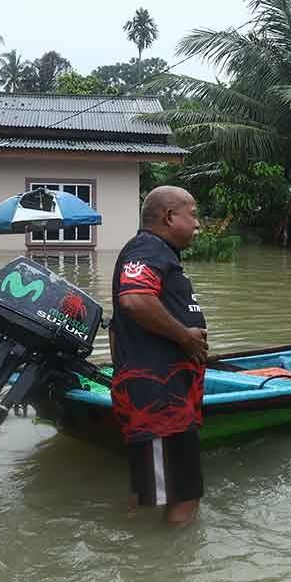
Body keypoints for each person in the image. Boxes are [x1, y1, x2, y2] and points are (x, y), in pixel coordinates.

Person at [109, 186, 208, 526]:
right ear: (169, 216)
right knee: (184, 494)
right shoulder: (149, 249)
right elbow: (134, 300)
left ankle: (140, 554)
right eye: (193, 214)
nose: (198, 224)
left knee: (152, 492)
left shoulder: (155, 254)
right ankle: (165, 572)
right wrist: (186, 337)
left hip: (158, 396)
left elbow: (115, 328)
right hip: (160, 398)